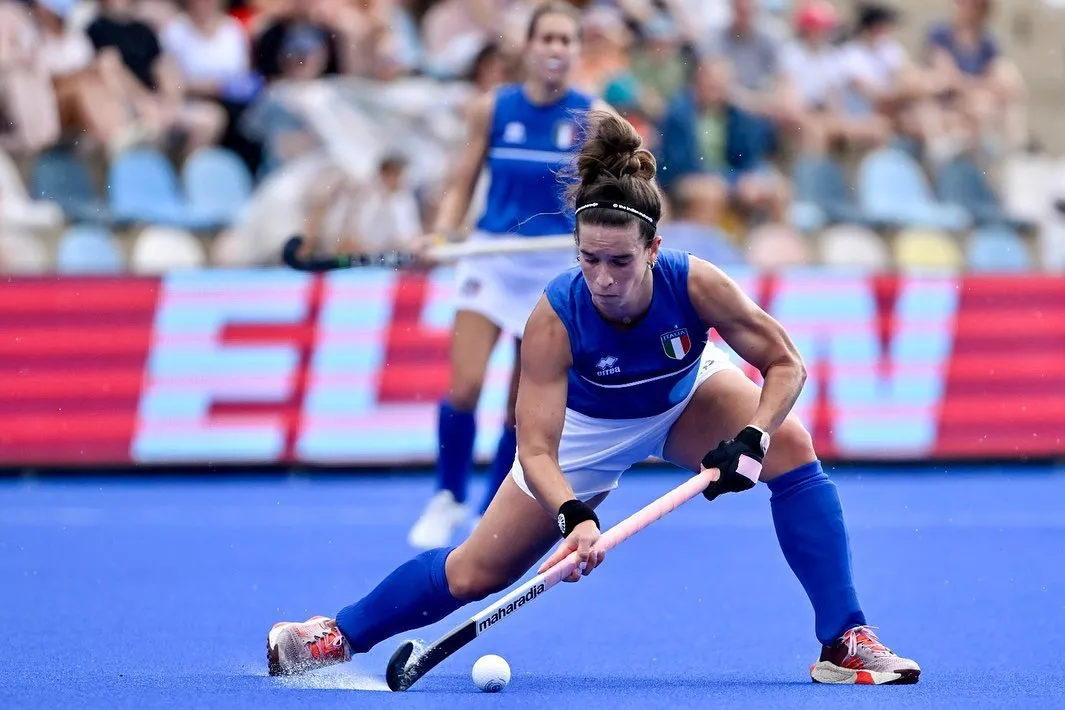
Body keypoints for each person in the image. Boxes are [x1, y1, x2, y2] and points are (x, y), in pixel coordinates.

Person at [266, 111, 921, 686]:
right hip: (586, 429)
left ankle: (843, 639)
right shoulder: (553, 317)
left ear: (653, 249)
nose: (603, 279)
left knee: (791, 446)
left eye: (619, 262)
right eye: (589, 260)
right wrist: (573, 515)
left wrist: (752, 437)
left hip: (684, 396)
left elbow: (785, 364)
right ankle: (338, 634)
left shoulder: (696, 284)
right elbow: (537, 446)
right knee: (473, 575)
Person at [407, 1, 610, 550]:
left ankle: (489, 507)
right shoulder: (492, 108)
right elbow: (463, 181)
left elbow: (608, 188)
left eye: (567, 41)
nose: (556, 49)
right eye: (547, 39)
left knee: (519, 404)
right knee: (465, 384)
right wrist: (443, 233)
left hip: (551, 268)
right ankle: (446, 496)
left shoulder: (593, 116)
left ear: (576, 51)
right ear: (529, 46)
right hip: (491, 257)